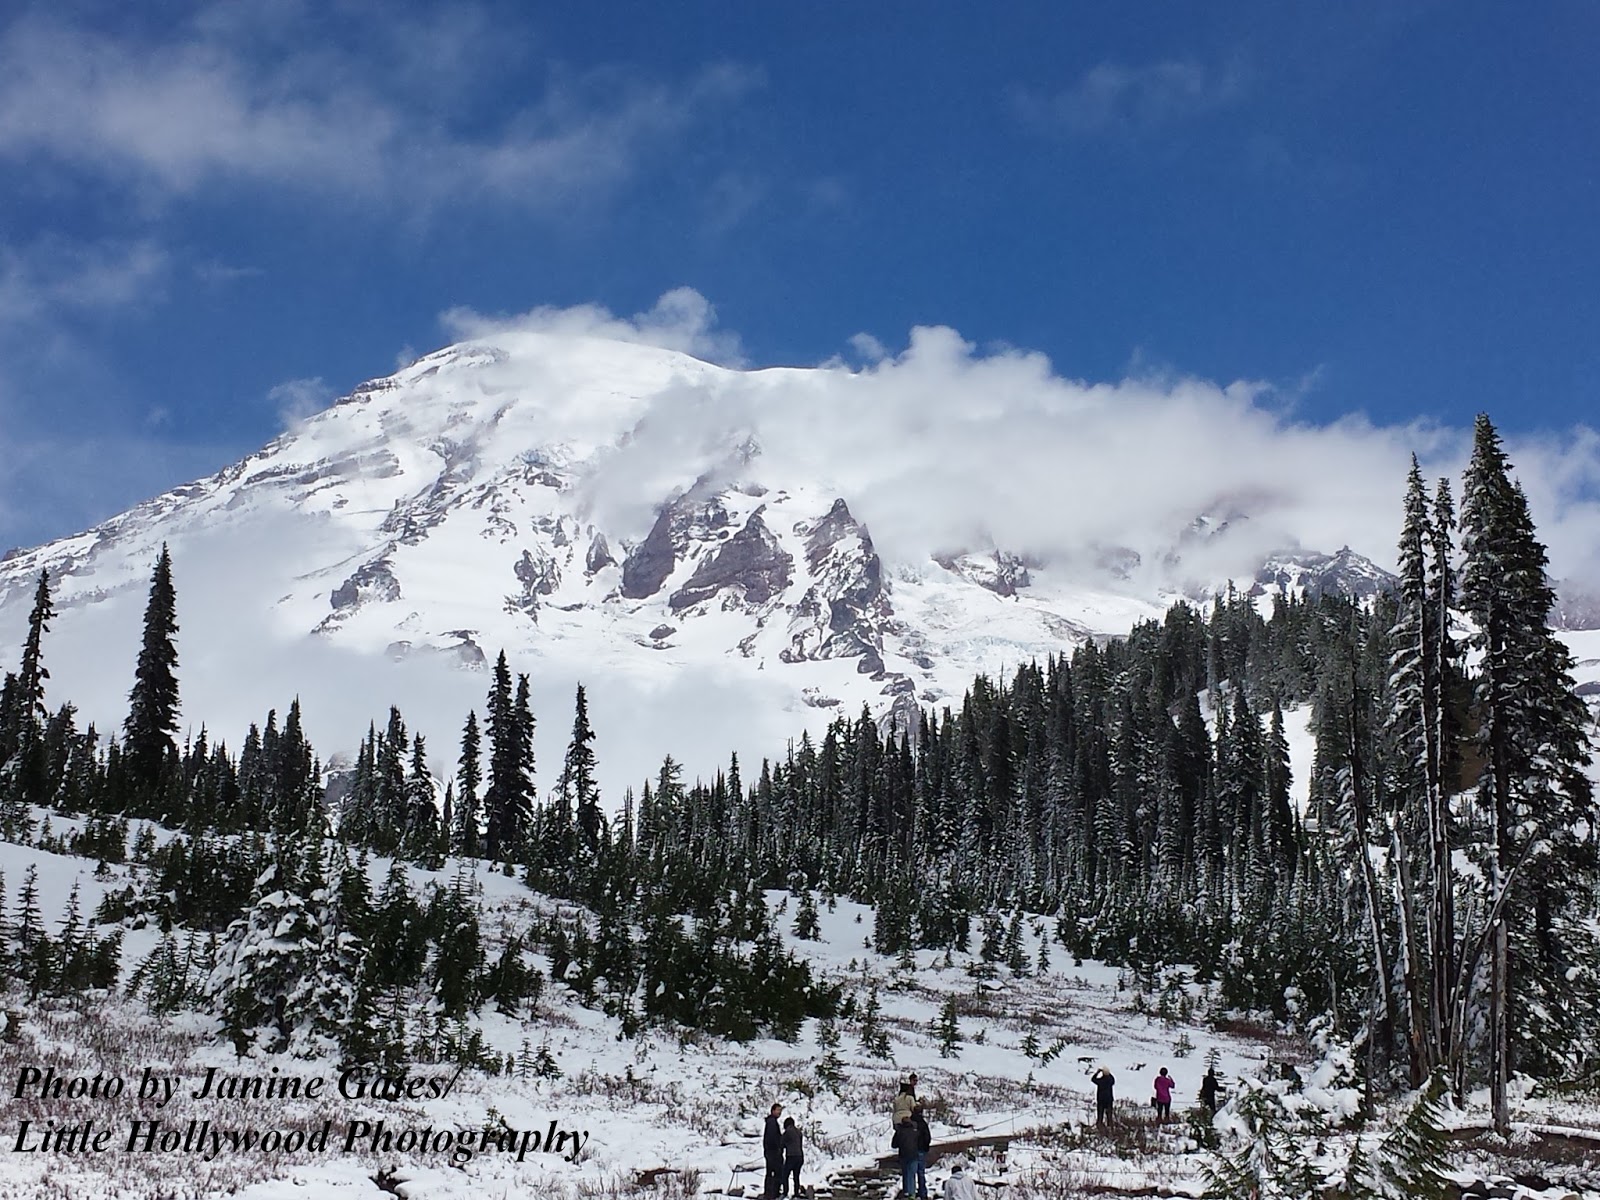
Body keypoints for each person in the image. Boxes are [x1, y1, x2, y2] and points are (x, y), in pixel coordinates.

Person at [892, 1114, 919, 1200]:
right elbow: (919, 1142)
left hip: (903, 1155)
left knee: (905, 1173)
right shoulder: (915, 1131)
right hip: (914, 1155)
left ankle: (906, 1191)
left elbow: (894, 1145)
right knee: (912, 1174)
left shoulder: (899, 1131)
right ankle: (912, 1193)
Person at [763, 1103, 785, 1199]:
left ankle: (769, 1193)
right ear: (772, 1111)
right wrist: (778, 1148)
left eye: (780, 1111)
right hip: (773, 1152)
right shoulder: (772, 1122)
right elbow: (772, 1138)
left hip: (770, 1152)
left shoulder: (771, 1121)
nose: (779, 1112)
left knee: (770, 1172)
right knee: (777, 1173)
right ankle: (774, 1193)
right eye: (778, 1110)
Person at [911, 1105, 932, 1200]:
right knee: (921, 1173)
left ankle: (911, 1192)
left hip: (911, 1150)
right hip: (921, 1150)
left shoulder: (910, 1123)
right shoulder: (923, 1123)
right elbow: (927, 1137)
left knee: (911, 1172)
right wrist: (926, 1148)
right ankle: (922, 1193)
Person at [782, 1116, 804, 1198]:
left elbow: (781, 1143)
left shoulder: (787, 1132)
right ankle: (796, 1193)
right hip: (800, 1156)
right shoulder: (799, 1132)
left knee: (785, 1175)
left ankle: (785, 1192)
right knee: (796, 1176)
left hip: (791, 1156)